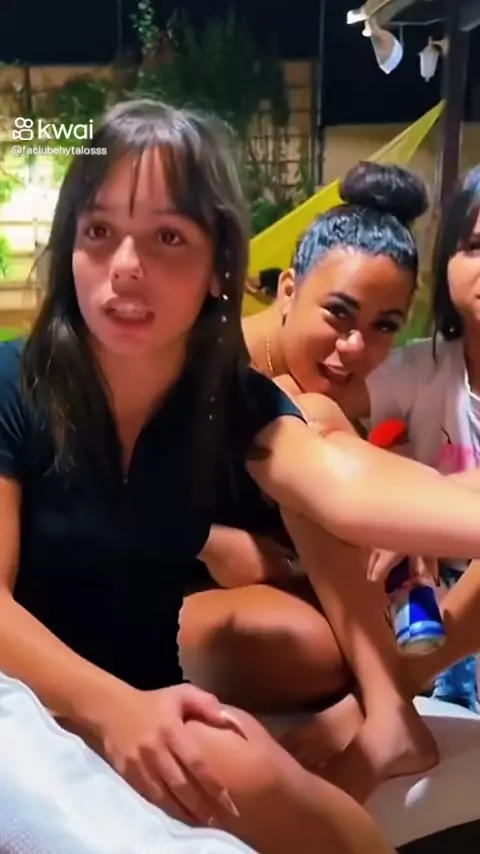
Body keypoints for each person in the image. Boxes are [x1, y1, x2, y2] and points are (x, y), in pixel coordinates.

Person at [2, 100, 480, 854]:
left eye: (167, 237)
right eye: (98, 232)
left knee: (331, 823)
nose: (125, 265)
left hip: (160, 704)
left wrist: (141, 711)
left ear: (219, 271)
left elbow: (342, 486)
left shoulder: (227, 401)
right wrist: (111, 710)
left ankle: (387, 710)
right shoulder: (15, 383)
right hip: (24, 703)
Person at [180, 162, 436, 801]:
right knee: (322, 650)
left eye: (383, 326)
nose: (354, 348)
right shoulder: (206, 365)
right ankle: (385, 701)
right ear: (289, 289)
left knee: (403, 612)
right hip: (157, 590)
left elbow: (350, 503)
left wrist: (399, 528)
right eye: (338, 314)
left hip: (271, 597)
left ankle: (383, 709)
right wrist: (208, 540)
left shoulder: (327, 388)